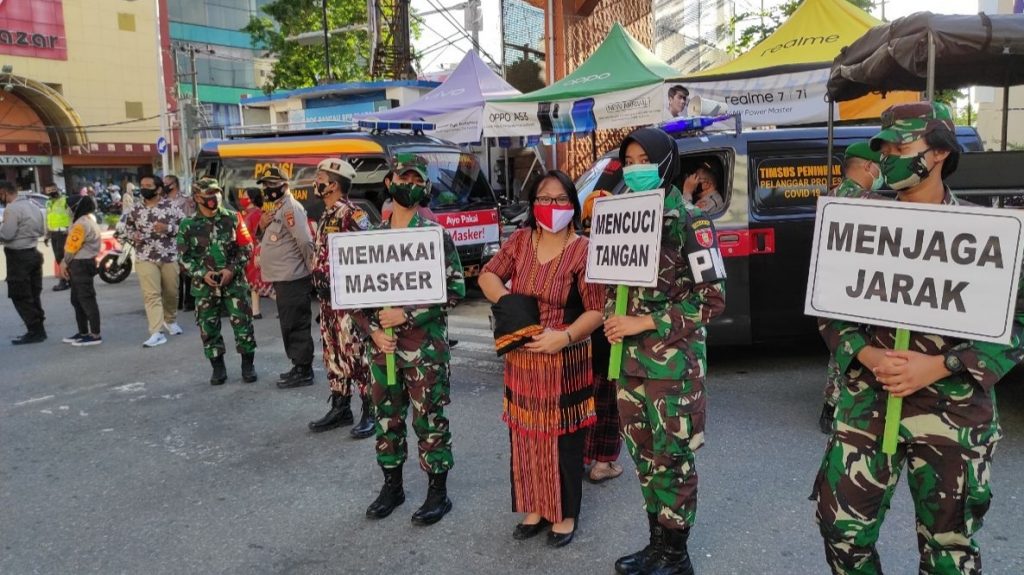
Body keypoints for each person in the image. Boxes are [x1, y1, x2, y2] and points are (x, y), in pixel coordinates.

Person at [812, 101, 1024, 575]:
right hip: (869, 403)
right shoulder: (858, 222)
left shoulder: (989, 232)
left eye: (900, 147)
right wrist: (866, 353)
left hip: (953, 411)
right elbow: (828, 307)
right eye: (883, 149)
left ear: (939, 153)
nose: (887, 158)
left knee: (948, 549)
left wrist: (940, 365)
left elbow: (1016, 324)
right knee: (841, 534)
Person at [607, 127, 727, 575]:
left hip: (673, 368)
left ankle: (676, 556)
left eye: (644, 160)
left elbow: (712, 299)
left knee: (673, 460)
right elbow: (613, 284)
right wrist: (613, 317)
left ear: (666, 163)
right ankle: (657, 545)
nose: (635, 169)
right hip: (629, 365)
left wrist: (644, 322)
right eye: (629, 161)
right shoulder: (622, 216)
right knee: (644, 458)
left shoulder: (692, 222)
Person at [479, 170, 604, 547]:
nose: (552, 205)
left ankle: (564, 513)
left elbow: (597, 310)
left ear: (573, 205)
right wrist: (511, 306)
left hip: (565, 357)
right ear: (533, 203)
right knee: (525, 435)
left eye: (561, 199)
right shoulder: (520, 240)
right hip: (522, 359)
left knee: (563, 440)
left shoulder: (584, 250)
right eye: (544, 198)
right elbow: (488, 276)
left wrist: (563, 337)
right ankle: (535, 505)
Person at [351, 153, 465, 526]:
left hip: (424, 349)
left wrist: (408, 315)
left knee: (429, 418)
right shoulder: (370, 238)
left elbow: (455, 289)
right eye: (405, 179)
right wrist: (373, 330)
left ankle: (438, 493)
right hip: (382, 349)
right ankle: (392, 486)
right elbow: (353, 297)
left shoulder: (434, 236)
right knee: (387, 418)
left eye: (418, 181)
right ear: (390, 182)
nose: (411, 186)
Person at [817, 142, 884, 434]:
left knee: (840, 341)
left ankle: (829, 406)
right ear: (868, 166)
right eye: (879, 167)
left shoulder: (829, 197)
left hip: (833, 284)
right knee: (861, 344)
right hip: (864, 287)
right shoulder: (875, 202)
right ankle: (851, 405)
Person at [307, 158, 375, 437]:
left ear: (333, 185)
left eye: (320, 178)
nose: (316, 182)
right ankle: (340, 407)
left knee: (356, 354)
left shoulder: (352, 214)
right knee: (333, 353)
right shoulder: (326, 215)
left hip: (349, 303)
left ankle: (371, 409)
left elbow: (370, 251)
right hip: (327, 302)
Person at [176, 178, 257, 385]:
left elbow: (247, 247)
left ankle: (248, 365)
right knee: (208, 329)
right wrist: (202, 273)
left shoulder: (234, 218)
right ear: (197, 198)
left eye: (217, 193)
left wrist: (231, 269)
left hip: (234, 284)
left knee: (244, 326)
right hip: (204, 288)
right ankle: (218, 367)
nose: (214, 197)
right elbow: (184, 257)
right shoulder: (187, 225)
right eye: (209, 194)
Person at [257, 167, 316, 389]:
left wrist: (312, 269)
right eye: (265, 185)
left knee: (296, 325)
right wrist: (261, 226)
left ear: (285, 185)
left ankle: (304, 370)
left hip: (293, 278)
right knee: (289, 324)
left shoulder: (291, 208)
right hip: (284, 278)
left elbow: (305, 242)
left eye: (272, 185)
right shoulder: (278, 208)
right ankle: (298, 365)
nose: (268, 189)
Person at [579, 190, 623, 484]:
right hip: (610, 338)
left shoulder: (574, 245)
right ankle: (602, 463)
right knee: (608, 404)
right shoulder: (622, 246)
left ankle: (581, 457)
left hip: (579, 339)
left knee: (584, 401)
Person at [119, 175, 186, 347]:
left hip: (169, 256)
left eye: (148, 185)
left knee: (171, 292)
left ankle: (170, 320)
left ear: (158, 189)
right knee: (151, 295)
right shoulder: (135, 209)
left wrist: (168, 228)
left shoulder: (172, 206)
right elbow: (127, 229)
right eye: (142, 185)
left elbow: (186, 228)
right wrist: (134, 235)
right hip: (145, 256)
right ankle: (156, 332)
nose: (144, 188)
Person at [0, 180, 47, 344]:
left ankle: (34, 331)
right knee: (33, 294)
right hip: (33, 252)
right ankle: (39, 329)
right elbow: (41, 230)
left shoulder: (12, 209)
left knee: (20, 295)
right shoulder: (33, 205)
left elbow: (7, 234)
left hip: (18, 257)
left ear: (4, 192)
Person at [60, 195, 103, 347]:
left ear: (75, 207)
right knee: (77, 300)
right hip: (83, 263)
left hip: (80, 264)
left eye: (68, 207)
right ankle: (83, 332)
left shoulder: (80, 224)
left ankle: (95, 334)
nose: (67, 210)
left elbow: (72, 247)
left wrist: (64, 262)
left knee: (86, 299)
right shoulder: (88, 220)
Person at [164, 174, 196, 313]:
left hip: (183, 238)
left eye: (166, 183)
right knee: (173, 273)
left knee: (186, 270)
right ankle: (176, 301)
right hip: (167, 241)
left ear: (174, 184)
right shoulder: (162, 200)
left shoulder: (185, 199)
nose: (164, 186)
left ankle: (189, 301)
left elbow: (189, 220)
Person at [240, 187, 273, 320]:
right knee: (253, 283)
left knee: (263, 284)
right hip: (247, 252)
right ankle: (255, 311)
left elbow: (262, 236)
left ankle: (287, 306)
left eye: (244, 195)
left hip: (256, 253)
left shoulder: (258, 214)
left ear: (252, 199)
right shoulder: (245, 213)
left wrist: (259, 254)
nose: (242, 198)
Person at [44, 184, 72, 292]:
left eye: (52, 189)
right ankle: (69, 279)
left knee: (62, 257)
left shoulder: (65, 200)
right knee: (58, 258)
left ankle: (64, 281)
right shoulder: (48, 202)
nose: (50, 192)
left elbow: (71, 216)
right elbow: (47, 218)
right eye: (48, 190)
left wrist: (69, 229)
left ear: (57, 189)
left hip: (63, 232)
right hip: (54, 233)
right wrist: (47, 234)